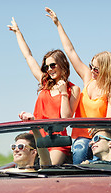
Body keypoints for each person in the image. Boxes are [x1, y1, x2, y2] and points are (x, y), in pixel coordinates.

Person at [45, 7, 111, 164]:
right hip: (80, 136)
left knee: (81, 147)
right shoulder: (88, 78)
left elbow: (109, 120)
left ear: (106, 70)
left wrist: (97, 131)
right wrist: (57, 24)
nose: (91, 70)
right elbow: (70, 51)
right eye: (91, 66)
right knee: (80, 146)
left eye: (96, 68)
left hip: (102, 137)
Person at [8, 17, 81, 165]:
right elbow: (28, 57)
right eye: (46, 67)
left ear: (62, 64)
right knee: (21, 169)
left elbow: (66, 119)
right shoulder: (44, 82)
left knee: (47, 169)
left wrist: (63, 93)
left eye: (52, 65)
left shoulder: (73, 89)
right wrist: (18, 32)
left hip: (56, 140)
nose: (49, 69)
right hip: (35, 136)